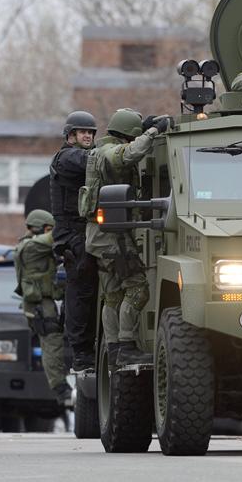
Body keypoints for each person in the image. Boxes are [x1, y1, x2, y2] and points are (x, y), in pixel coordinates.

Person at [82, 108, 170, 368]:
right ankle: (126, 346)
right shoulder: (108, 152)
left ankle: (114, 350)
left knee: (112, 294)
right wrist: (154, 132)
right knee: (138, 287)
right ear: (128, 135)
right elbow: (127, 155)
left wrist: (147, 127)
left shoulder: (96, 151)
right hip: (111, 236)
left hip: (101, 234)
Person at [49, 111, 99, 372]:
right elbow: (93, 160)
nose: (88, 136)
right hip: (72, 235)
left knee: (92, 292)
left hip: (86, 232)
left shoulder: (85, 154)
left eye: (91, 133)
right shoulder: (67, 157)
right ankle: (80, 356)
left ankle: (90, 351)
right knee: (80, 292)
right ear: (70, 136)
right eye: (83, 132)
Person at [14, 209, 70, 404]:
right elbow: (54, 237)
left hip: (40, 303)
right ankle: (61, 388)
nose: (50, 232)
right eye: (47, 229)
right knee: (52, 343)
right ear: (38, 228)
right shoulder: (30, 247)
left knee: (51, 343)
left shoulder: (27, 244)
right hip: (40, 305)